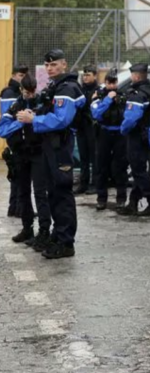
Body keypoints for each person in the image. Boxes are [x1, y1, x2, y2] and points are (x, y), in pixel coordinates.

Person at [16, 50, 84, 259]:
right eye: (47, 65)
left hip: (60, 146)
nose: (49, 68)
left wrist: (33, 120)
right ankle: (58, 234)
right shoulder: (55, 87)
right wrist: (34, 114)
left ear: (64, 64)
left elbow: (62, 119)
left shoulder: (67, 88)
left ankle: (66, 242)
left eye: (54, 64)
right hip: (50, 145)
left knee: (62, 192)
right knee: (53, 192)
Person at [1, 74, 48, 245]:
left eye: (32, 92)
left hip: (38, 153)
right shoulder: (15, 106)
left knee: (40, 192)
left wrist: (34, 119)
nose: (30, 95)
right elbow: (2, 130)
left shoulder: (42, 103)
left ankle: (44, 230)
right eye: (27, 92)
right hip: (20, 154)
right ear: (21, 90)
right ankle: (27, 228)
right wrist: (20, 122)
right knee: (23, 192)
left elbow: (50, 124)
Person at [119, 63, 150, 217]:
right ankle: (133, 202)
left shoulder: (137, 94)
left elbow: (131, 118)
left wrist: (123, 130)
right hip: (147, 133)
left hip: (136, 135)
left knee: (138, 170)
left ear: (136, 76)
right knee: (140, 169)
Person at [90, 71, 129, 211]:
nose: (112, 86)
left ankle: (121, 199)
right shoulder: (98, 96)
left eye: (114, 82)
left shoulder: (124, 95)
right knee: (101, 167)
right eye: (109, 83)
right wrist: (108, 99)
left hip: (120, 134)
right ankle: (101, 199)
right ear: (105, 83)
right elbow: (96, 113)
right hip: (104, 133)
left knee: (120, 167)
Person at [2, 64, 28, 219]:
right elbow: (8, 116)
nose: (23, 78)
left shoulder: (17, 91)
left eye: (25, 76)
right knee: (18, 173)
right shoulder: (10, 93)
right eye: (20, 75)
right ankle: (18, 208)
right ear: (13, 75)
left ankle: (15, 207)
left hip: (16, 135)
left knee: (17, 173)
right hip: (15, 136)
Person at [75, 64, 99, 194]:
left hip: (92, 126)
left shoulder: (98, 90)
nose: (85, 77)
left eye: (88, 75)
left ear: (95, 76)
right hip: (81, 126)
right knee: (83, 156)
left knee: (94, 156)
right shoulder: (80, 89)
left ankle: (95, 183)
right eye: (84, 75)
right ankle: (83, 183)